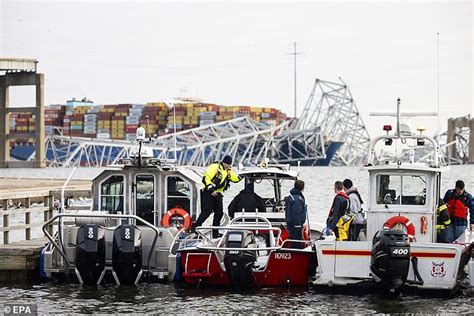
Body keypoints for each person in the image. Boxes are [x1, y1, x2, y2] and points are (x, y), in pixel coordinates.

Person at [191, 155, 242, 238]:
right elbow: (205, 179)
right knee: (206, 212)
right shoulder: (214, 167)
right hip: (208, 192)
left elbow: (235, 179)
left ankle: (215, 233)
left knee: (219, 213)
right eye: (228, 164)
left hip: (217, 194)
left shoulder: (228, 170)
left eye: (230, 165)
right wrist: (211, 190)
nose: (229, 166)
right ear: (224, 163)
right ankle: (194, 228)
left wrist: (242, 175)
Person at [284, 180, 307, 248]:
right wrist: (297, 225)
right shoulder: (298, 199)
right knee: (296, 243)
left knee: (293, 240)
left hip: (291, 224)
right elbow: (296, 212)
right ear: (302, 188)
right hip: (295, 226)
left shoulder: (291, 197)